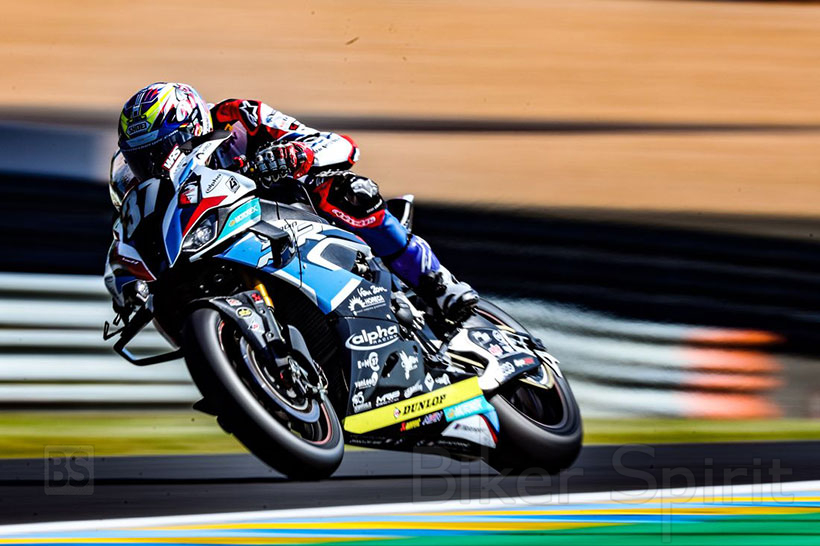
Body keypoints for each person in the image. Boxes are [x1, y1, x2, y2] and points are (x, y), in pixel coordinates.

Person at [113, 82, 478, 322]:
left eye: (158, 151)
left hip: (294, 214)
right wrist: (126, 284)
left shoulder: (238, 117)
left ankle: (436, 282)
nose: (153, 166)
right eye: (140, 159)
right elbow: (125, 239)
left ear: (191, 127)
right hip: (222, 246)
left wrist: (298, 154)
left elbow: (340, 145)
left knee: (350, 191)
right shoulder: (146, 188)